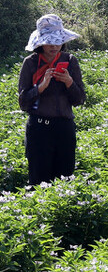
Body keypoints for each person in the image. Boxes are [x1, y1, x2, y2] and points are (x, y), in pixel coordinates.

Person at [17, 14, 85, 186]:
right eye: (49, 42)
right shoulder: (30, 63)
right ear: (40, 43)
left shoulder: (70, 61)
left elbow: (79, 99)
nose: (54, 46)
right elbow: (23, 102)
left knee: (65, 180)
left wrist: (69, 82)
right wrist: (40, 87)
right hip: (39, 129)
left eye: (58, 41)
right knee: (38, 180)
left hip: (64, 127)